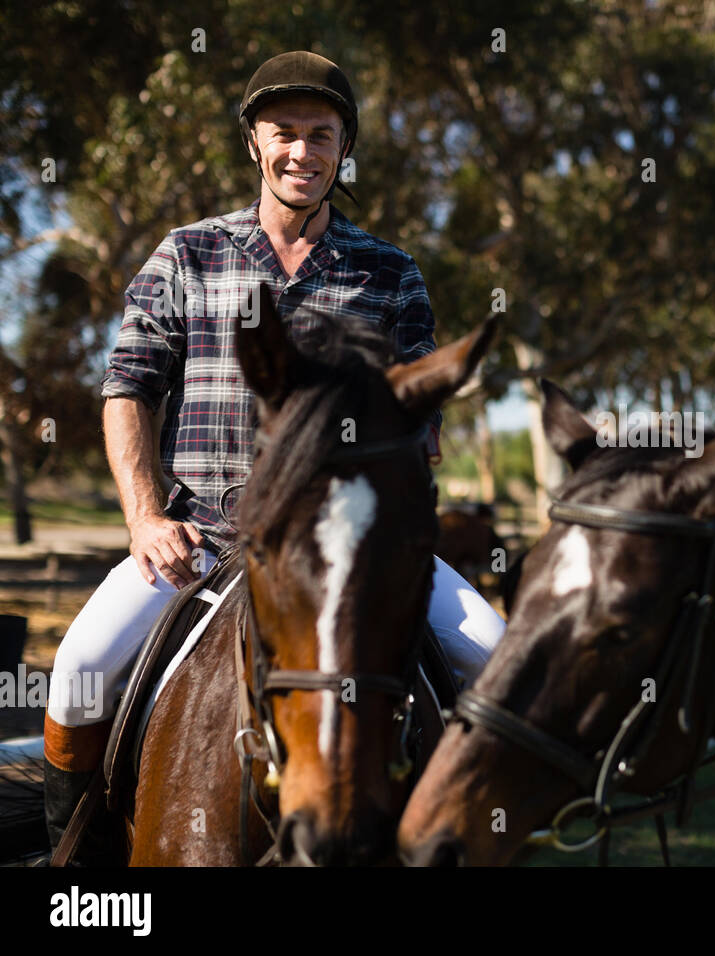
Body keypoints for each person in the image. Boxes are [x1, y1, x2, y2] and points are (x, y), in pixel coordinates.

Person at [44, 51, 505, 864]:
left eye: (320, 134)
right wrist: (145, 516)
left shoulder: (390, 273)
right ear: (254, 145)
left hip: (347, 553)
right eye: (283, 133)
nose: (302, 150)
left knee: (499, 656)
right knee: (78, 669)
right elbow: (128, 389)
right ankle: (76, 867)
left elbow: (419, 413)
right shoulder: (186, 254)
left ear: (343, 148)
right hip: (200, 541)